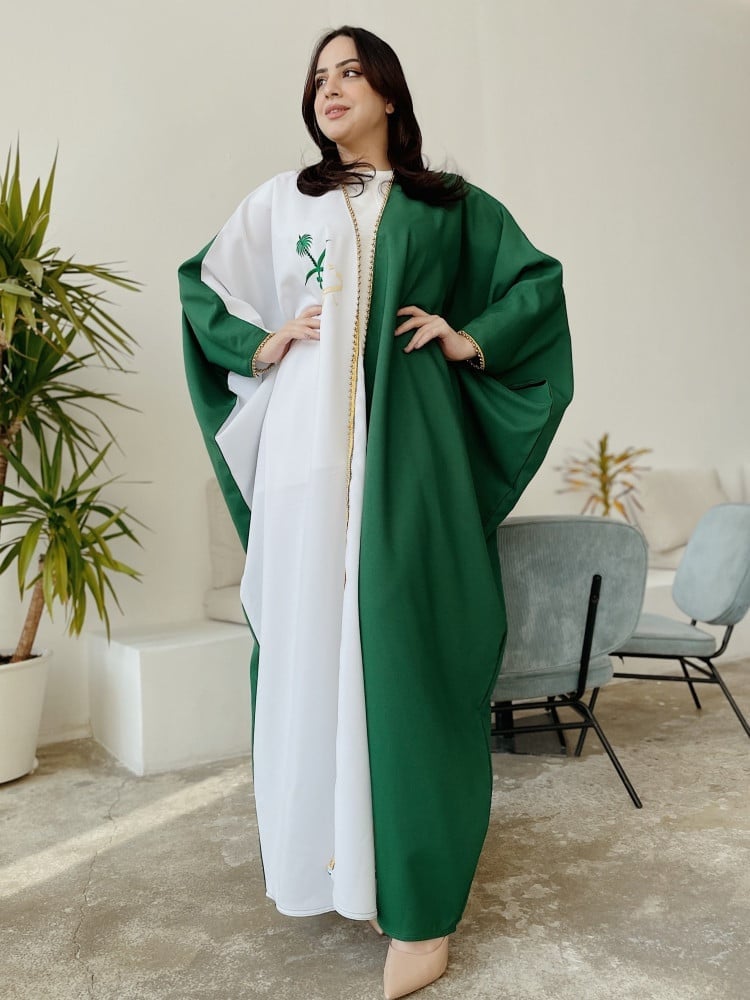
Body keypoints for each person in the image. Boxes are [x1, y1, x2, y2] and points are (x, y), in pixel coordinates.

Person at [179, 25, 573, 999]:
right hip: (307, 466)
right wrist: (264, 341)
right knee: (310, 652)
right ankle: (340, 867)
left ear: (389, 92)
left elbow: (537, 286)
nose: (331, 88)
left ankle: (420, 906)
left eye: (350, 72)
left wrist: (467, 336)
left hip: (410, 460)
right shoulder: (283, 200)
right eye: (319, 77)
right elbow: (201, 289)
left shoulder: (448, 205)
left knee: (409, 654)